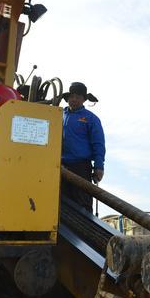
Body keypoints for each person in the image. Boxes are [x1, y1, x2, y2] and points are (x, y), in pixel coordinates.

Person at [61, 82, 105, 213]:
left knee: (82, 204)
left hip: (81, 167)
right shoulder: (58, 115)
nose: (74, 99)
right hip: (60, 166)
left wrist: (99, 166)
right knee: (60, 203)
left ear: (84, 99)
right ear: (68, 98)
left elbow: (98, 143)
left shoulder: (91, 119)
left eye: (78, 97)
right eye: (72, 96)